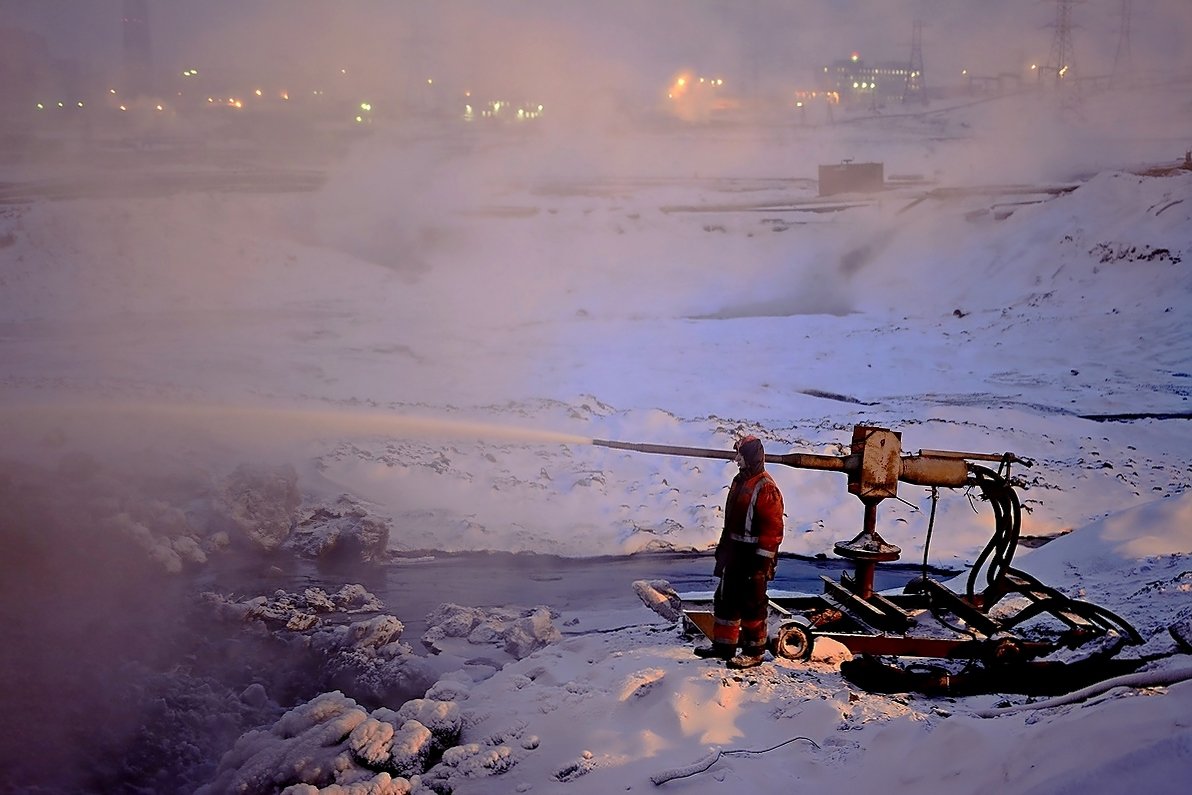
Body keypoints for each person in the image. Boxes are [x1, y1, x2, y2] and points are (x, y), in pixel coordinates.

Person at [694, 435, 785, 669]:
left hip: (753, 556)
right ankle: (724, 646)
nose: (736, 460)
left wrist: (762, 563)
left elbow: (772, 530)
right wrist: (724, 550)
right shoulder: (740, 481)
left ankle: (754, 652)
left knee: (752, 605)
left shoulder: (765, 488)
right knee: (726, 600)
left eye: (740, 456)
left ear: (751, 458)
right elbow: (732, 522)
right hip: (735, 553)